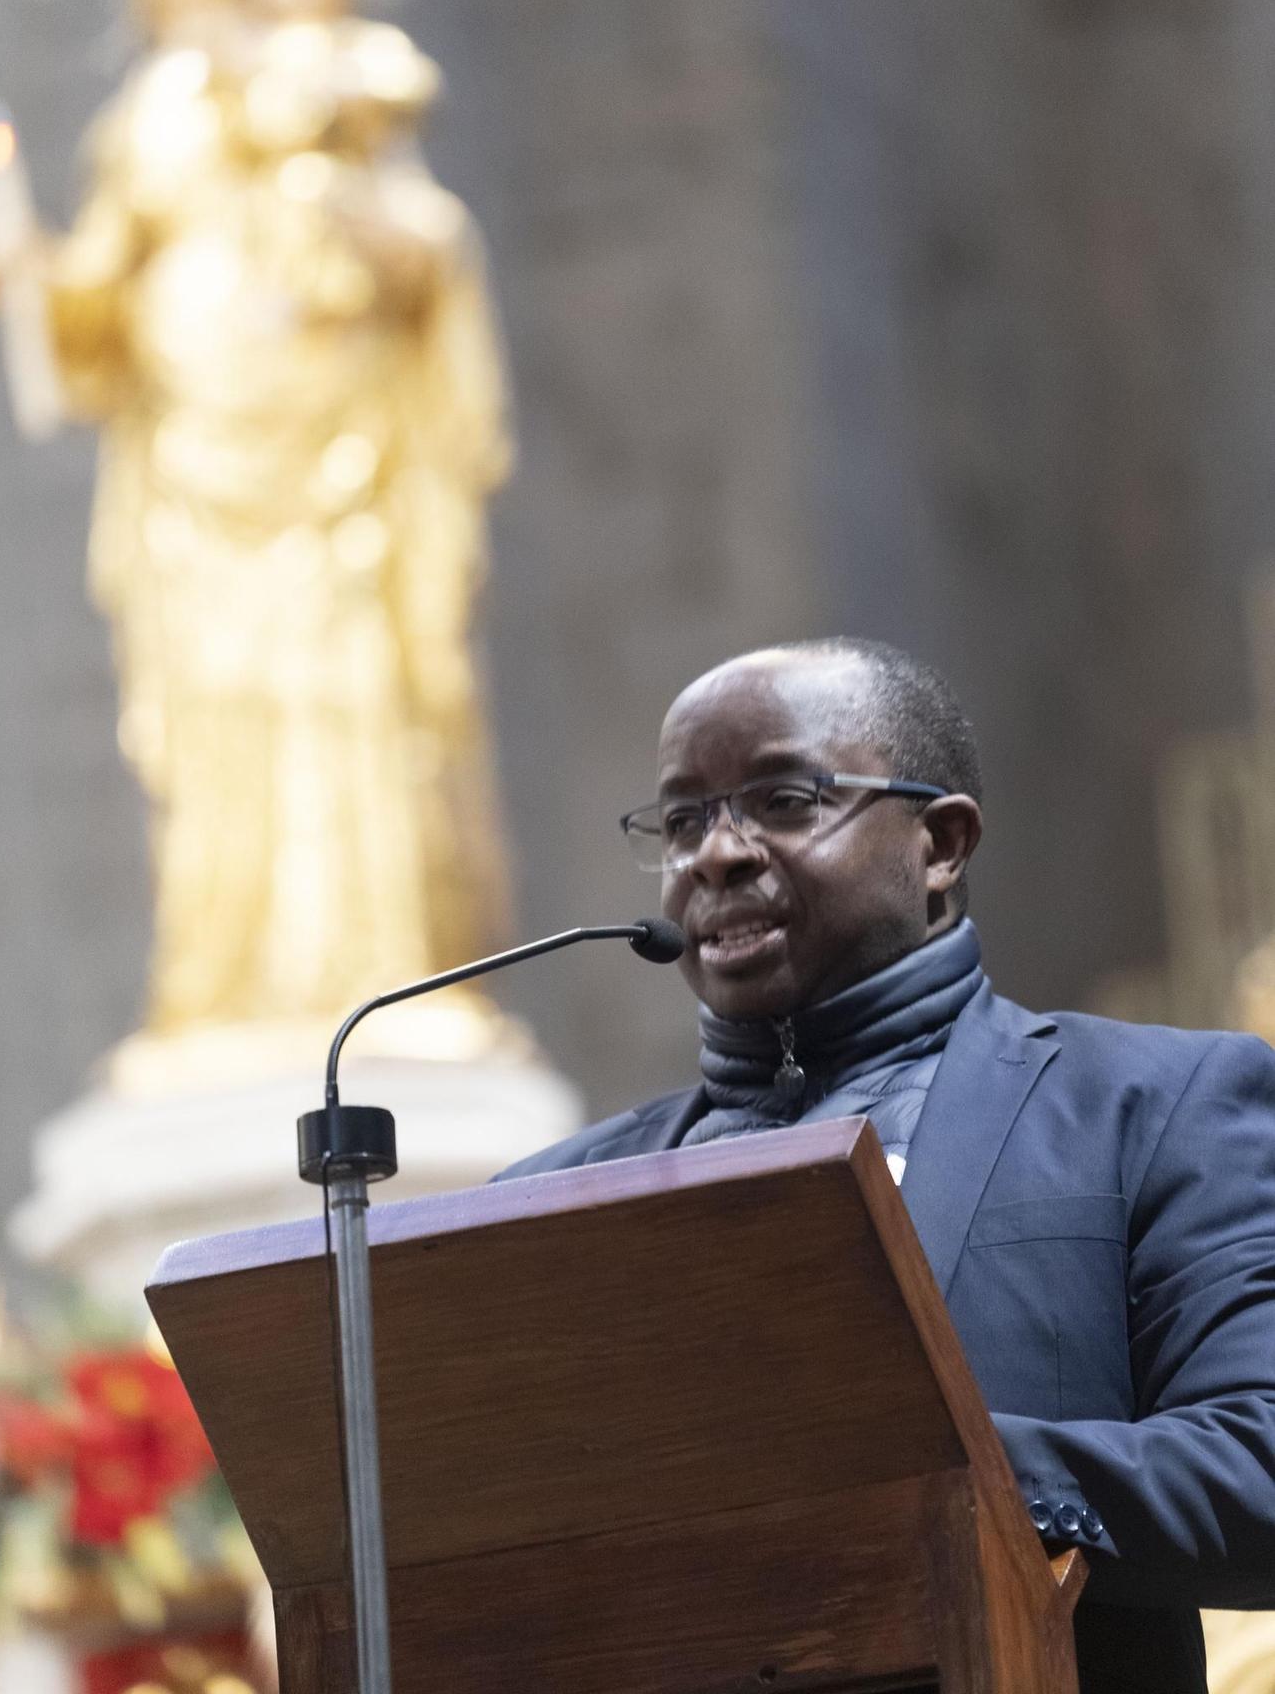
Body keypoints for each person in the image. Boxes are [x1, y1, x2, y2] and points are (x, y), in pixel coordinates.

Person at [498, 637, 1275, 1694]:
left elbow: (1256, 1472)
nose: (714, 855)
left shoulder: (1153, 1107)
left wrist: (918, 1467)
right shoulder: (544, 1202)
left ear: (941, 842)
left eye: (781, 799)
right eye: (683, 819)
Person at [0, 0, 513, 1048]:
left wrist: (344, 200)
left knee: (355, 703)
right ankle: (226, 993)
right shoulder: (143, 114)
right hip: (194, 483)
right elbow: (100, 310)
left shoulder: (337, 66)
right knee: (216, 724)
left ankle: (381, 981)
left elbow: (427, 245)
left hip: (338, 466)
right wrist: (31, 269)